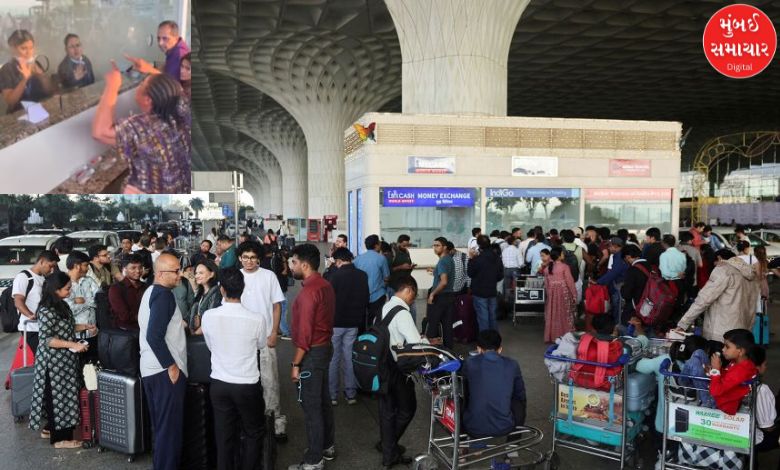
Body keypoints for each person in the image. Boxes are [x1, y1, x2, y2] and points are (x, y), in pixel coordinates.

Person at [200, 267, 269, 470]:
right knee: (253, 432)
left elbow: (210, 345)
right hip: (247, 384)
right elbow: (261, 345)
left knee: (224, 436)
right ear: (243, 288)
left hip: (219, 384)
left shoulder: (209, 316)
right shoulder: (257, 319)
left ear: (221, 289)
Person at [92, 62, 191, 194]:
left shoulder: (143, 128)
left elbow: (100, 132)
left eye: (142, 84)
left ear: (148, 100)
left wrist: (112, 85)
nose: (139, 86)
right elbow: (175, 88)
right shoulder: (182, 109)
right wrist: (150, 70)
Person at [28, 271, 95, 448]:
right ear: (55, 290)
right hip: (53, 363)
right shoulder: (46, 310)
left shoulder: (61, 305)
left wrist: (85, 327)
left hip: (65, 361)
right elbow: (47, 339)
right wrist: (72, 345)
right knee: (58, 400)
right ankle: (60, 440)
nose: (70, 291)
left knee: (65, 398)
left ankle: (50, 429)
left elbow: (66, 326)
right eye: (67, 289)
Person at [288, 244, 336, 470]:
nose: (292, 266)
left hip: (312, 353)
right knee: (323, 401)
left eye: (294, 262)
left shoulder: (308, 292)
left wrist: (295, 364)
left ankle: (314, 459)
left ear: (304, 265)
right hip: (325, 348)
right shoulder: (325, 284)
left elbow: (305, 335)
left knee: (312, 406)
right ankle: (326, 446)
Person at [139, 253, 188, 470]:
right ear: (160, 273)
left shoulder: (150, 291)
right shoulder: (164, 296)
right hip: (164, 371)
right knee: (169, 432)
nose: (180, 275)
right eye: (175, 271)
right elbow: (153, 335)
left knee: (161, 429)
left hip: (151, 369)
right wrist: (171, 365)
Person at [238, 241, 287, 441]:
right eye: (245, 257)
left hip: (266, 337)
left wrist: (274, 331)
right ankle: (250, 423)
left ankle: (277, 425)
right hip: (241, 341)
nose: (249, 261)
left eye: (252, 257)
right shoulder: (235, 277)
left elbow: (277, 306)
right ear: (240, 258)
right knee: (245, 384)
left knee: (270, 382)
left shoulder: (269, 276)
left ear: (258, 258)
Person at [376, 275, 423, 468]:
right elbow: (416, 344)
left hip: (381, 366)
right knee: (407, 409)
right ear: (409, 290)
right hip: (397, 371)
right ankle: (389, 447)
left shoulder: (384, 307)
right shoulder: (403, 313)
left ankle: (389, 452)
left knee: (387, 412)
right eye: (414, 294)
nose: (414, 299)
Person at [676, 250, 758, 341]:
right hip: (743, 333)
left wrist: (683, 324)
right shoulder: (751, 275)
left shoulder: (723, 270)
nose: (714, 266)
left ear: (719, 258)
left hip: (720, 334)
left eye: (714, 264)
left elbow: (704, 299)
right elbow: (752, 306)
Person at [463, 329, 526, 437]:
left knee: (464, 392)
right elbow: (520, 394)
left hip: (472, 427)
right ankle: (513, 444)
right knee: (519, 400)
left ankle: (466, 442)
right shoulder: (512, 365)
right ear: (500, 349)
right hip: (505, 427)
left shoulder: (469, 363)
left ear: (478, 349)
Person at [326, 248, 369, 406]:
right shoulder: (362, 275)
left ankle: (332, 395)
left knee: (333, 359)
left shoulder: (335, 276)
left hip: (336, 323)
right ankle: (351, 394)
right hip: (354, 323)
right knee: (349, 358)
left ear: (337, 261)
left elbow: (328, 300)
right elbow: (366, 298)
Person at [13, 250, 59, 353]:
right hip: (31, 327)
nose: (51, 270)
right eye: (50, 266)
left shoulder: (44, 279)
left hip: (44, 327)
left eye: (53, 268)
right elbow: (18, 301)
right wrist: (30, 315)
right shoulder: (24, 277)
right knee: (41, 356)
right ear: (42, 261)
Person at [0, 30, 53, 114]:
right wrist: (25, 79)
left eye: (31, 48)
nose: (29, 53)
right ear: (13, 49)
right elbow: (10, 101)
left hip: (40, 111)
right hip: (19, 114)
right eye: (23, 48)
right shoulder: (7, 69)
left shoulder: (36, 64)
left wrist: (41, 76)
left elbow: (49, 91)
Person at [707, 329, 757, 415]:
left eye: (727, 346)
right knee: (698, 356)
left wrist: (715, 370)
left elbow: (715, 391)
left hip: (724, 404)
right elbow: (729, 377)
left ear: (740, 351)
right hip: (724, 396)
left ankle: (684, 390)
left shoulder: (741, 370)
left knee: (697, 357)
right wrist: (716, 370)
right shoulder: (738, 363)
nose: (723, 349)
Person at [540, 247, 576, 343]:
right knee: (564, 313)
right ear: (559, 256)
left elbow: (546, 285)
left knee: (552, 314)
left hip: (552, 295)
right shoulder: (564, 267)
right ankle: (565, 335)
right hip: (563, 293)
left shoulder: (547, 269)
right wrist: (574, 294)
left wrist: (550, 294)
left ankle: (552, 336)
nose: (563, 255)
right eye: (562, 254)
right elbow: (570, 282)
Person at [467, 235, 503, 332]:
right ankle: (494, 340)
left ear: (479, 245)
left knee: (483, 318)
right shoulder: (497, 257)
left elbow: (470, 273)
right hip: (492, 291)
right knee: (492, 316)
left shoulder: (477, 259)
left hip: (479, 292)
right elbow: (500, 275)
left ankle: (485, 342)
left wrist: (470, 258)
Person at [353, 235, 390, 328]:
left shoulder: (357, 259)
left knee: (362, 320)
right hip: (378, 295)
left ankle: (362, 340)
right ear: (377, 245)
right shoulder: (381, 258)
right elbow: (387, 277)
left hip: (361, 295)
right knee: (376, 321)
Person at [750, 347, 779, 458]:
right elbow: (767, 427)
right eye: (765, 364)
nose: (766, 367)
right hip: (755, 439)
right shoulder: (761, 389)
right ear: (757, 367)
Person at [426, 237, 455, 348]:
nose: (435, 248)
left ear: (445, 247)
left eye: (438, 245)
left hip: (440, 296)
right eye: (434, 245)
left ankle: (433, 352)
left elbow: (443, 282)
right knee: (447, 325)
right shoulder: (449, 259)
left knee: (433, 324)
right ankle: (448, 350)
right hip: (449, 296)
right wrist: (435, 271)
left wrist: (432, 294)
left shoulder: (443, 261)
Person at [593, 237, 628, 325]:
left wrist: (599, 282)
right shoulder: (618, 255)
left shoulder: (619, 257)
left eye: (610, 246)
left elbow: (614, 273)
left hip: (619, 285)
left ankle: (618, 330)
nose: (608, 248)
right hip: (618, 284)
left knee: (618, 309)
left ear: (616, 246)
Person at [108, 254, 148, 330]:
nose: (138, 271)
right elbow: (124, 316)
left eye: (140, 268)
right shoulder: (116, 289)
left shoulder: (146, 287)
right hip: (124, 332)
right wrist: (146, 317)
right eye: (133, 268)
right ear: (124, 269)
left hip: (145, 329)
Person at [260, 245, 292, 339]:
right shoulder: (277, 259)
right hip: (281, 288)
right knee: (281, 310)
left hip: (272, 288)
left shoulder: (262, 262)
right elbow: (285, 272)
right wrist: (284, 262)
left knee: (275, 309)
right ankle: (285, 332)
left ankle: (277, 329)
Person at [63, 251, 99, 327]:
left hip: (92, 330)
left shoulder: (89, 280)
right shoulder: (62, 283)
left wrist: (81, 301)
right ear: (77, 266)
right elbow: (68, 309)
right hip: (73, 332)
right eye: (86, 265)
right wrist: (89, 302)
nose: (88, 269)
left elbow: (99, 300)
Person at [188, 259, 221, 334]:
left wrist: (194, 335)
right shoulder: (200, 293)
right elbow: (188, 316)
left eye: (201, 273)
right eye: (196, 273)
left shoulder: (216, 293)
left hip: (207, 338)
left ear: (212, 274)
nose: (197, 276)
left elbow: (211, 321)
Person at [619, 245, 649, 324]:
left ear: (628, 257)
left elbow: (626, 294)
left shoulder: (633, 270)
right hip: (650, 306)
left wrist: (622, 288)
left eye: (625, 260)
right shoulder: (651, 266)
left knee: (626, 326)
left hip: (636, 307)